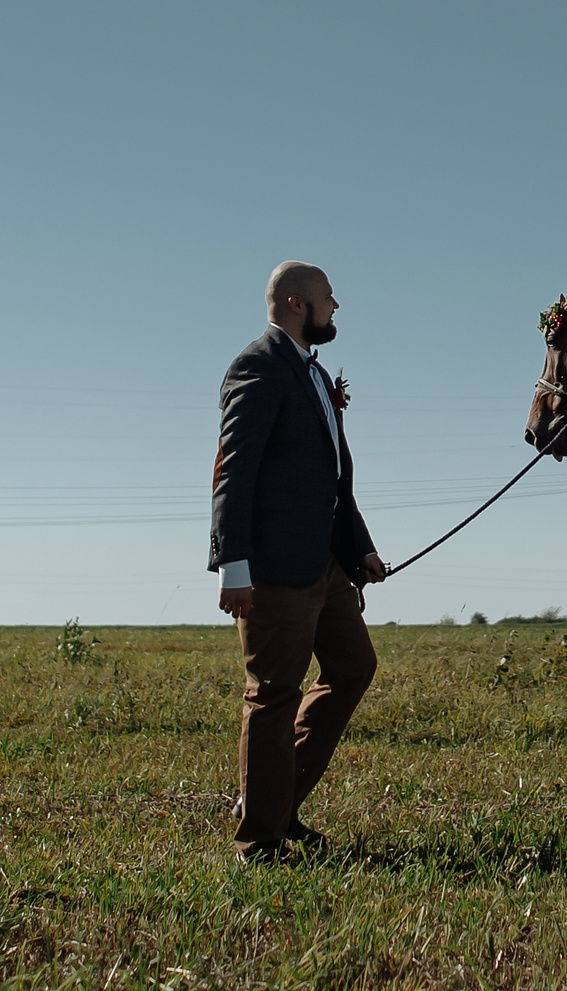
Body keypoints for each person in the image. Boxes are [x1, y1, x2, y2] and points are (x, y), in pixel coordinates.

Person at [209, 261, 390, 862]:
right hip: (273, 571)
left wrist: (358, 548)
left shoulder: (312, 373)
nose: (336, 307)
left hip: (327, 568)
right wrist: (233, 566)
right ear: (294, 303)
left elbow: (335, 480)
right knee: (272, 694)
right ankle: (260, 840)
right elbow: (232, 472)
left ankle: (278, 806)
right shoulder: (257, 366)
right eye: (328, 299)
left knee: (354, 666)